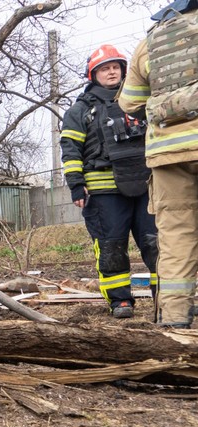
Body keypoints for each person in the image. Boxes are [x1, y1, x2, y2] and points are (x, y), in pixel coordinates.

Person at [60, 44, 158, 319]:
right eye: (105, 68)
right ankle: (120, 302)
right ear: (94, 74)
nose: (112, 71)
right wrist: (76, 184)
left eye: (116, 67)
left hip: (147, 185)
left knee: (156, 244)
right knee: (111, 246)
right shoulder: (80, 110)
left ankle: (166, 299)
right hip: (103, 190)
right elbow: (70, 149)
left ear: (124, 71)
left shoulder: (140, 102)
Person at [118, 0, 198, 328]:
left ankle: (176, 321)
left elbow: (130, 101)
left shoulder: (153, 38)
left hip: (168, 154)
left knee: (176, 238)